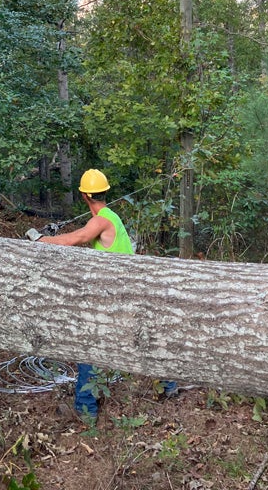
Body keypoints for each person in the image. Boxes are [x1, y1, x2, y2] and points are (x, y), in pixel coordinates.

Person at [36, 169, 178, 421]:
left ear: (83, 196)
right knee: (139, 342)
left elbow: (77, 238)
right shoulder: (107, 217)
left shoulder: (102, 219)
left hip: (121, 297)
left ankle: (85, 410)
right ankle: (168, 385)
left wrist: (41, 240)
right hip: (127, 293)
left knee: (89, 346)